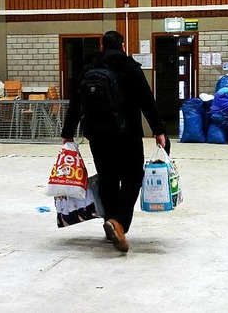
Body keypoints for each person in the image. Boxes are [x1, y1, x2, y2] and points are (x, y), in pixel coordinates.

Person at [61, 30, 166, 253]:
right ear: (123, 45)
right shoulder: (129, 67)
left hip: (97, 134)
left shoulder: (88, 69)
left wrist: (68, 131)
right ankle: (118, 223)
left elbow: (75, 103)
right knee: (133, 176)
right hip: (127, 134)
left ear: (102, 45)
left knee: (108, 179)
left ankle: (110, 222)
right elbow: (147, 100)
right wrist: (159, 131)